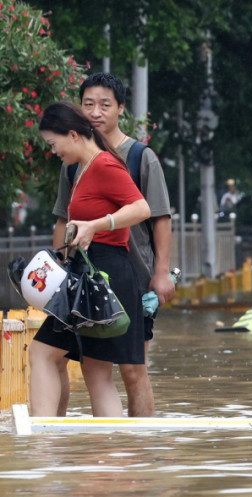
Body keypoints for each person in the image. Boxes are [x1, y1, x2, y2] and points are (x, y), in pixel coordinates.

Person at [49, 72, 175, 417]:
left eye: (105, 104)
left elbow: (160, 217)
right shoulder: (74, 158)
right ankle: (97, 444)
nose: (96, 112)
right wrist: (57, 270)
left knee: (134, 368)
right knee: (91, 366)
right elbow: (63, 218)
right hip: (87, 279)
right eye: (88, 104)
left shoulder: (139, 156)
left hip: (131, 275)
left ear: (121, 108)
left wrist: (161, 272)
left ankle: (141, 447)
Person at [31, 101, 151, 417]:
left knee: (43, 353)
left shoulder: (104, 165)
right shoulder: (82, 169)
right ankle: (107, 454)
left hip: (104, 276)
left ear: (72, 134)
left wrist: (96, 225)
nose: (53, 151)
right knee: (96, 371)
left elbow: (141, 209)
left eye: (53, 144)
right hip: (94, 274)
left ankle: (41, 440)